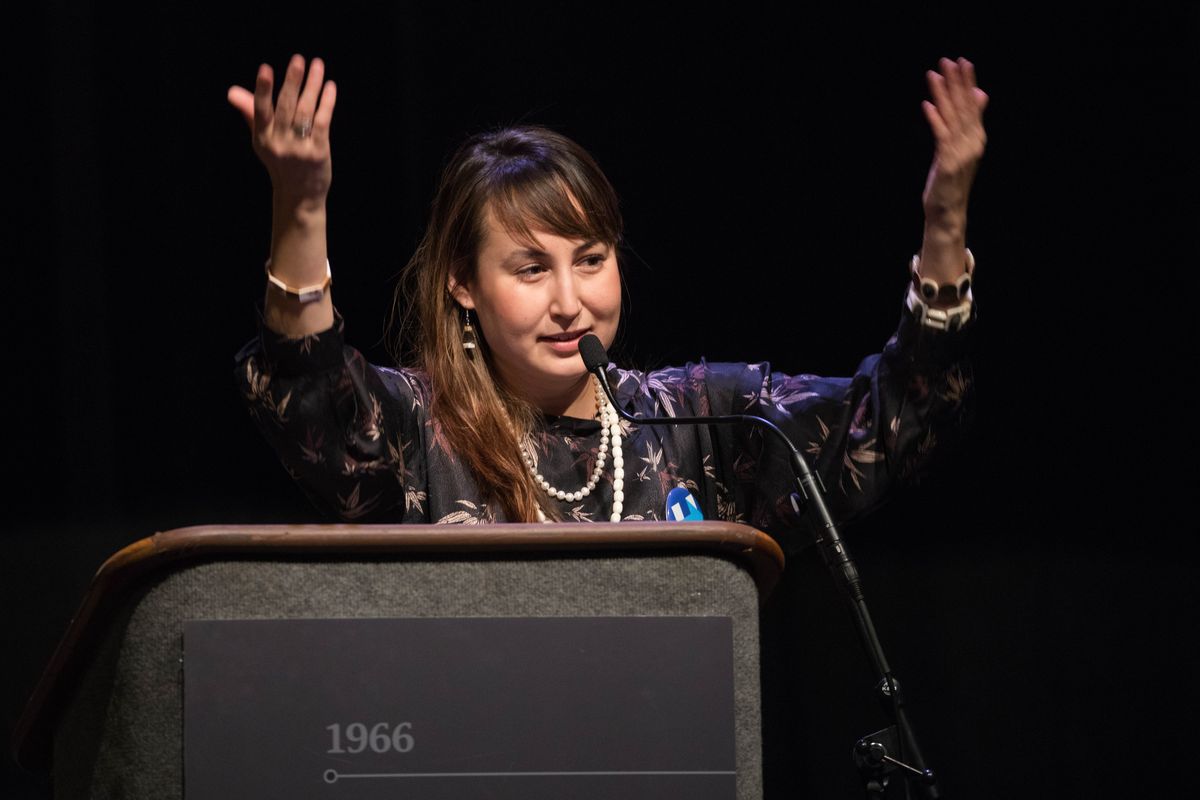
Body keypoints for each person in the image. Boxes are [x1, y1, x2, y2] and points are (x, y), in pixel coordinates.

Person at [229, 55, 986, 552]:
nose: (571, 302)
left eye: (590, 260)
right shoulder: (417, 431)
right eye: (531, 269)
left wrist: (945, 223)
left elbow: (891, 420)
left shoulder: (696, 424)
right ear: (463, 283)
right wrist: (300, 210)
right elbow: (307, 404)